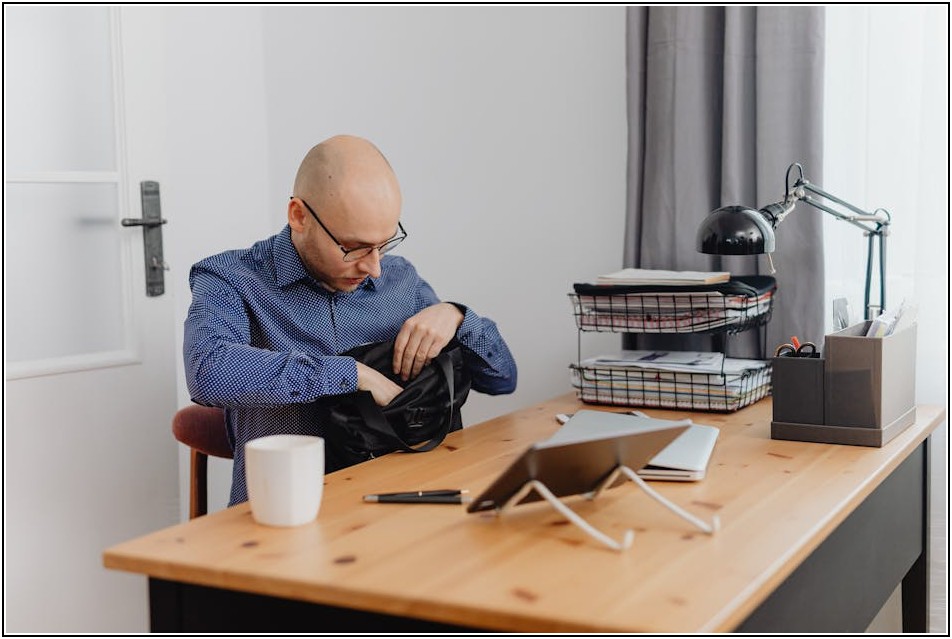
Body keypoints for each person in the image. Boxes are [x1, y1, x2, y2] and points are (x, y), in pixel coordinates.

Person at [184, 135, 517, 506]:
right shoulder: (230, 278)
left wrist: (457, 316)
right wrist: (352, 375)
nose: (374, 268)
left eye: (384, 244)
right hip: (285, 522)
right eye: (355, 248)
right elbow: (208, 371)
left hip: (404, 512)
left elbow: (503, 379)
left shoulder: (400, 281)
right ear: (299, 216)